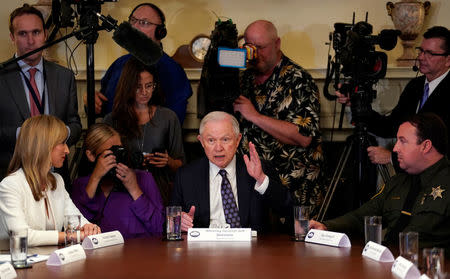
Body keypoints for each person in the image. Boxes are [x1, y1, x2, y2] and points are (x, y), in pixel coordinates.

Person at [310, 113, 450, 252]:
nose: (395, 149)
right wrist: (326, 227)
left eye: (403, 141)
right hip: (389, 263)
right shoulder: (397, 182)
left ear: (425, 146)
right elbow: (361, 217)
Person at [233, 20, 324, 212]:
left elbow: (304, 137)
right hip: (252, 186)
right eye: (250, 47)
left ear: (277, 44)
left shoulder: (299, 79)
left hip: (293, 188)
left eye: (261, 47)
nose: (255, 54)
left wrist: (254, 116)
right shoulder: (243, 79)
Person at [336, 26, 450, 166]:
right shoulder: (415, 86)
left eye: (430, 53)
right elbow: (392, 126)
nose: (421, 57)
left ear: (448, 60)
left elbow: (441, 147)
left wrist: (393, 158)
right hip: (412, 178)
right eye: (420, 51)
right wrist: (355, 104)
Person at [171, 111, 292, 232]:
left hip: (251, 248)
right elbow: (169, 221)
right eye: (211, 140)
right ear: (202, 141)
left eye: (225, 139)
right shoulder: (186, 176)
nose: (218, 148)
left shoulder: (258, 169)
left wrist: (261, 179)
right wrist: (178, 222)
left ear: (238, 140)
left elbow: (288, 210)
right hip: (203, 248)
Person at [0, 4, 81, 180]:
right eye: (23, 34)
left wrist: (59, 134)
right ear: (12, 37)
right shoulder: (1, 76)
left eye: (36, 32)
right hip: (11, 176)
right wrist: (23, 135)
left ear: (45, 34)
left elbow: (75, 124)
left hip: (56, 176)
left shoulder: (65, 76)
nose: (30, 41)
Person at [0, 115, 99, 248]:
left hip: (49, 263)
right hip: (16, 266)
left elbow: (76, 222)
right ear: (43, 145)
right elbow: (22, 235)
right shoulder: (10, 185)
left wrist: (89, 228)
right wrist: (71, 236)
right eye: (62, 143)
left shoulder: (57, 181)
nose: (67, 150)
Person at [85, 2, 192, 124]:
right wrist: (91, 102)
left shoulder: (172, 70)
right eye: (133, 20)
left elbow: (173, 123)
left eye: (144, 23)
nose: (134, 27)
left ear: (160, 32)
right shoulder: (118, 65)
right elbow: (103, 109)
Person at [103, 57, 185, 205]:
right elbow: (102, 164)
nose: (144, 92)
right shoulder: (113, 120)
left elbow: (181, 165)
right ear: (128, 86)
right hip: (122, 194)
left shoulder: (168, 117)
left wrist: (168, 161)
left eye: (149, 86)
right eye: (138, 87)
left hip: (160, 191)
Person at [72, 124, 164, 239]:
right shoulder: (81, 185)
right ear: (91, 155)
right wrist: (95, 179)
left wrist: (135, 189)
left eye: (120, 150)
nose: (117, 157)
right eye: (111, 153)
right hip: (100, 254)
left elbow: (159, 227)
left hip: (140, 253)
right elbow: (78, 228)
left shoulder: (143, 178)